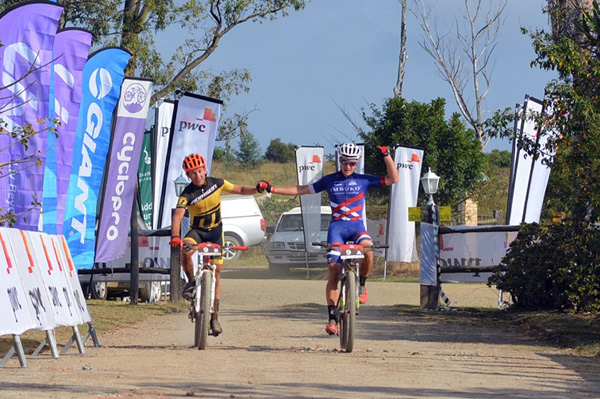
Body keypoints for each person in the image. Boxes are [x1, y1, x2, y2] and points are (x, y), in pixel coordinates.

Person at [256, 143, 399, 335]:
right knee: (333, 269)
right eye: (343, 162)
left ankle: (362, 285)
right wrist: (272, 189)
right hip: (337, 229)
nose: (347, 167)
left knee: (368, 250)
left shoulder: (364, 180)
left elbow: (393, 178)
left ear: (356, 163)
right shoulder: (330, 180)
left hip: (357, 228)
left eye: (351, 163)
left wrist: (386, 155)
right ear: (339, 161)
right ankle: (332, 316)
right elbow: (301, 189)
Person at [170, 153, 260, 336]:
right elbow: (178, 216)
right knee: (186, 251)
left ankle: (214, 318)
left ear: (205, 169)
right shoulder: (187, 193)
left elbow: (240, 189)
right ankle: (191, 283)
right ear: (188, 176)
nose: (198, 176)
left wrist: (257, 189)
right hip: (197, 232)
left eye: (200, 171)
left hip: (217, 233)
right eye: (193, 173)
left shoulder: (217, 183)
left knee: (217, 274)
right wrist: (176, 236)